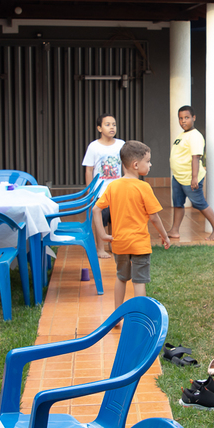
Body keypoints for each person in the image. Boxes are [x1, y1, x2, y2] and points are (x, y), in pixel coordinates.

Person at [93, 140, 171, 309]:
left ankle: (117, 315)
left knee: (121, 278)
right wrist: (164, 236)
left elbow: (96, 209)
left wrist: (102, 234)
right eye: (148, 161)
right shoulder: (144, 187)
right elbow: (154, 217)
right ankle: (139, 317)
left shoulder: (113, 186)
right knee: (139, 281)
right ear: (136, 165)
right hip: (139, 244)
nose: (150, 164)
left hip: (119, 243)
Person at [169, 105, 214, 241]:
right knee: (178, 203)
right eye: (180, 118)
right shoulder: (182, 135)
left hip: (189, 178)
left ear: (193, 118)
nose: (183, 121)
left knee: (199, 203)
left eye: (186, 117)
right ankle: (174, 230)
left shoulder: (195, 136)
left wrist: (194, 178)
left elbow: (195, 157)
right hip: (178, 177)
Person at [82, 113, 125, 259]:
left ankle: (114, 245)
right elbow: (89, 170)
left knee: (115, 219)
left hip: (117, 190)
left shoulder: (121, 144)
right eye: (107, 125)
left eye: (114, 124)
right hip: (100, 192)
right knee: (100, 220)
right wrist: (90, 191)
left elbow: (125, 166)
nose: (112, 127)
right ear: (99, 128)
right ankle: (100, 248)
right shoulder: (94, 147)